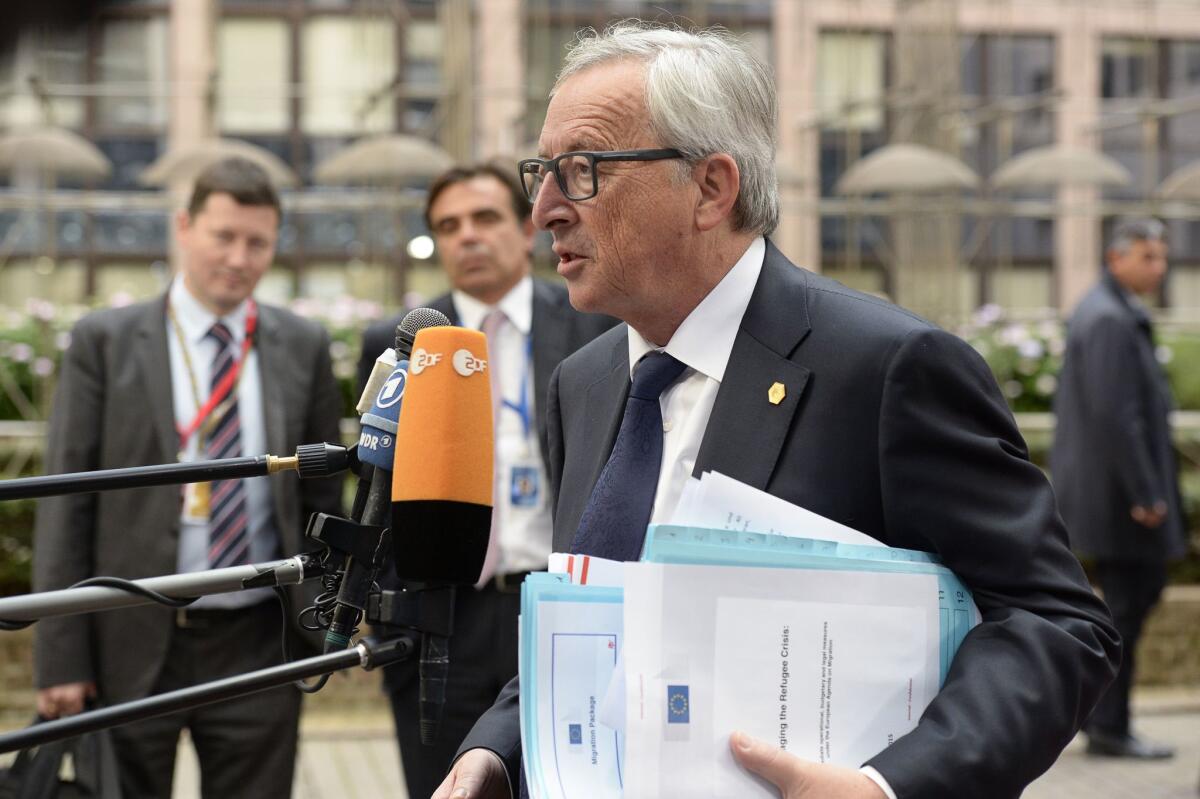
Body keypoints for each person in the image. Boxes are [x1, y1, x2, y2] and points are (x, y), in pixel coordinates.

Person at [435, 22, 1120, 799]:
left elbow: (1058, 624)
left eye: (583, 170)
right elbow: (598, 609)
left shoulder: (888, 367)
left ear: (710, 188)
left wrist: (884, 786)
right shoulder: (582, 382)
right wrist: (496, 747)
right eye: (543, 173)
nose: (546, 210)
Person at [32, 157, 344, 798]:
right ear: (184, 227)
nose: (238, 257)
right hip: (134, 635)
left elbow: (320, 500)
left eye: (257, 242)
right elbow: (66, 504)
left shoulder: (300, 344)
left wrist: (326, 625)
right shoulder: (105, 341)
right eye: (222, 236)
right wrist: (60, 658)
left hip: (262, 636)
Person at [356, 162, 615, 799]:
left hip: (559, 604)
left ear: (526, 228)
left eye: (485, 218)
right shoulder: (402, 344)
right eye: (449, 226)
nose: (467, 236)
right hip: (442, 617)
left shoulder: (598, 325)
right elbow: (374, 487)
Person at [1051, 218, 1188, 760]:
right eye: (1149, 256)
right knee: (1127, 608)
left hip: (1117, 497)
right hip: (1124, 502)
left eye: (1162, 256)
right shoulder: (1109, 318)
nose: (1159, 267)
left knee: (1129, 605)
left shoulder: (1108, 311)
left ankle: (1107, 722)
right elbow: (1117, 416)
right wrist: (1146, 494)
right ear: (1116, 258)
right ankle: (1109, 725)